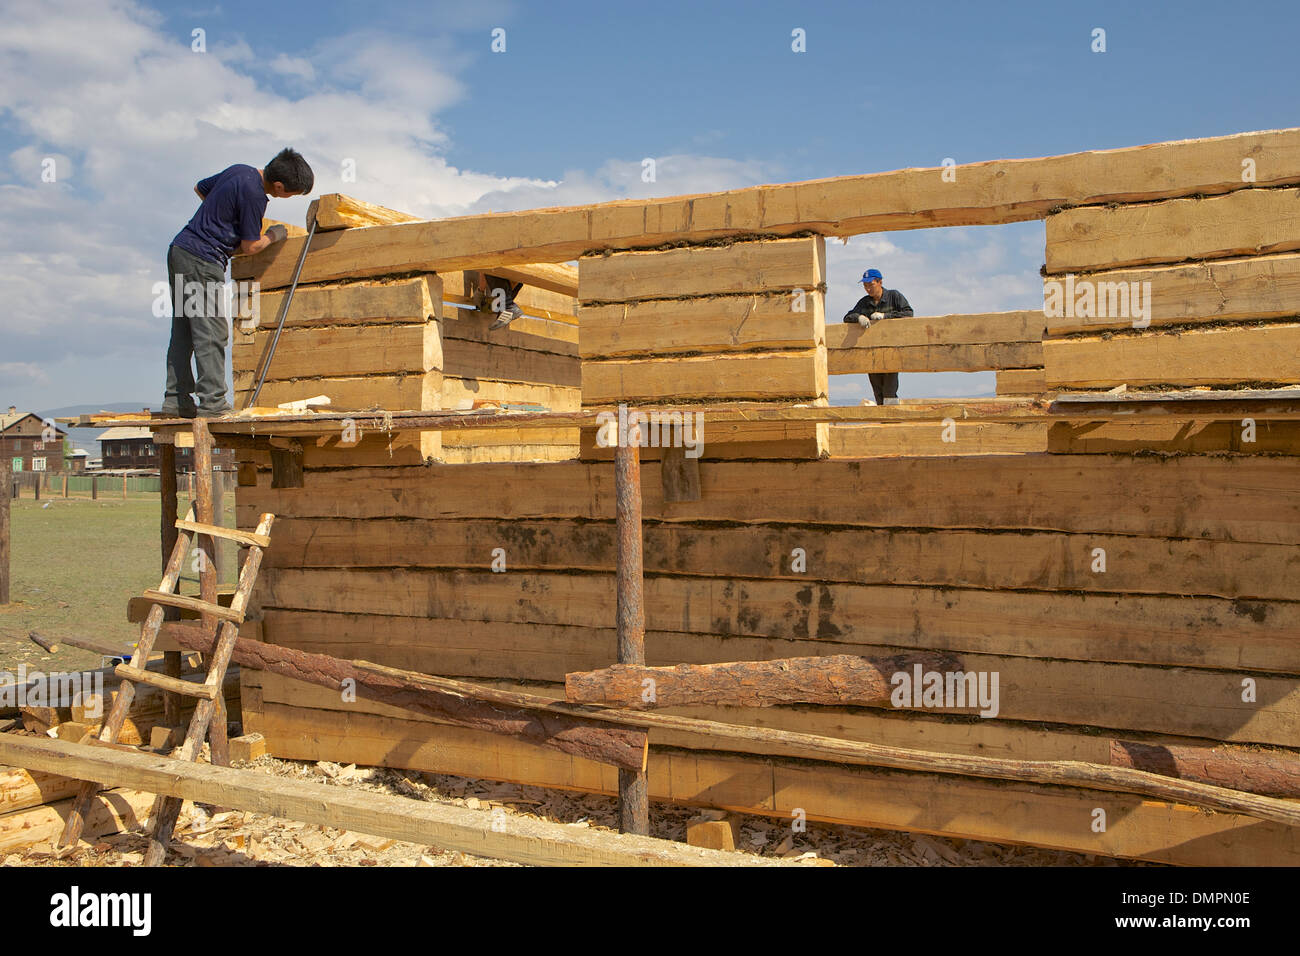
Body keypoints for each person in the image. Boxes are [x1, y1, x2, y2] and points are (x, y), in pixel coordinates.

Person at [162, 148, 314, 418]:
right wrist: (274, 235)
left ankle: (177, 401)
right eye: (292, 193)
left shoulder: (239, 170)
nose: (289, 197)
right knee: (211, 332)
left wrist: (222, 217)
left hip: (181, 250)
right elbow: (251, 246)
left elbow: (200, 188)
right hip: (203, 259)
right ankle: (213, 404)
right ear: (279, 186)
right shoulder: (256, 195)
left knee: (185, 329)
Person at [843, 268, 913, 405]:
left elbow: (908, 313)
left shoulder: (894, 296)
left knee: (889, 390)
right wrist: (859, 317)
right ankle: (884, 422)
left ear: (880, 282)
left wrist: (886, 316)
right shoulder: (864, 302)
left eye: (870, 285)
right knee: (878, 391)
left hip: (891, 351)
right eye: (865, 286)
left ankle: (892, 420)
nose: (868, 289)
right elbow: (847, 316)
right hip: (872, 353)